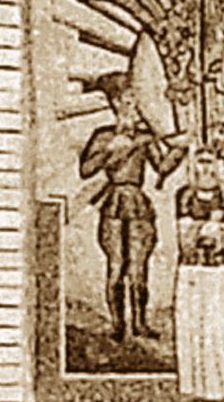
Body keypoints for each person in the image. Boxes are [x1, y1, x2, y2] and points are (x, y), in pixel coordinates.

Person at [79, 72, 186, 342]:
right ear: (116, 103)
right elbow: (86, 169)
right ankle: (118, 325)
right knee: (116, 266)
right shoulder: (103, 135)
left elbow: (161, 166)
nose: (135, 107)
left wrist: (180, 149)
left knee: (139, 268)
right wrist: (111, 150)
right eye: (128, 101)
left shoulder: (145, 137)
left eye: (136, 101)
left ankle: (139, 323)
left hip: (137, 203)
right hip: (114, 203)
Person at [173, 149, 224, 400]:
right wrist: (207, 226)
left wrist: (218, 223)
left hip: (217, 270)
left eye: (210, 163)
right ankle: (193, 385)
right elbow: (185, 236)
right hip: (192, 270)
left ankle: (221, 385)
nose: (206, 169)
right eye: (201, 163)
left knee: (218, 327)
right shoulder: (185, 195)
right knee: (194, 326)